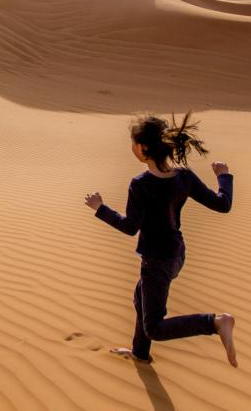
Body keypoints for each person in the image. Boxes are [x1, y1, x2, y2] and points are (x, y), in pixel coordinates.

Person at [83, 110, 238, 367]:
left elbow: (130, 227)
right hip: (177, 255)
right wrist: (223, 176)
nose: (131, 147)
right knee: (140, 297)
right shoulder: (183, 176)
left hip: (157, 262)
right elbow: (223, 205)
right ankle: (140, 353)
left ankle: (215, 322)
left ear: (143, 148)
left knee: (154, 327)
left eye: (133, 143)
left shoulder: (141, 184)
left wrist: (100, 208)